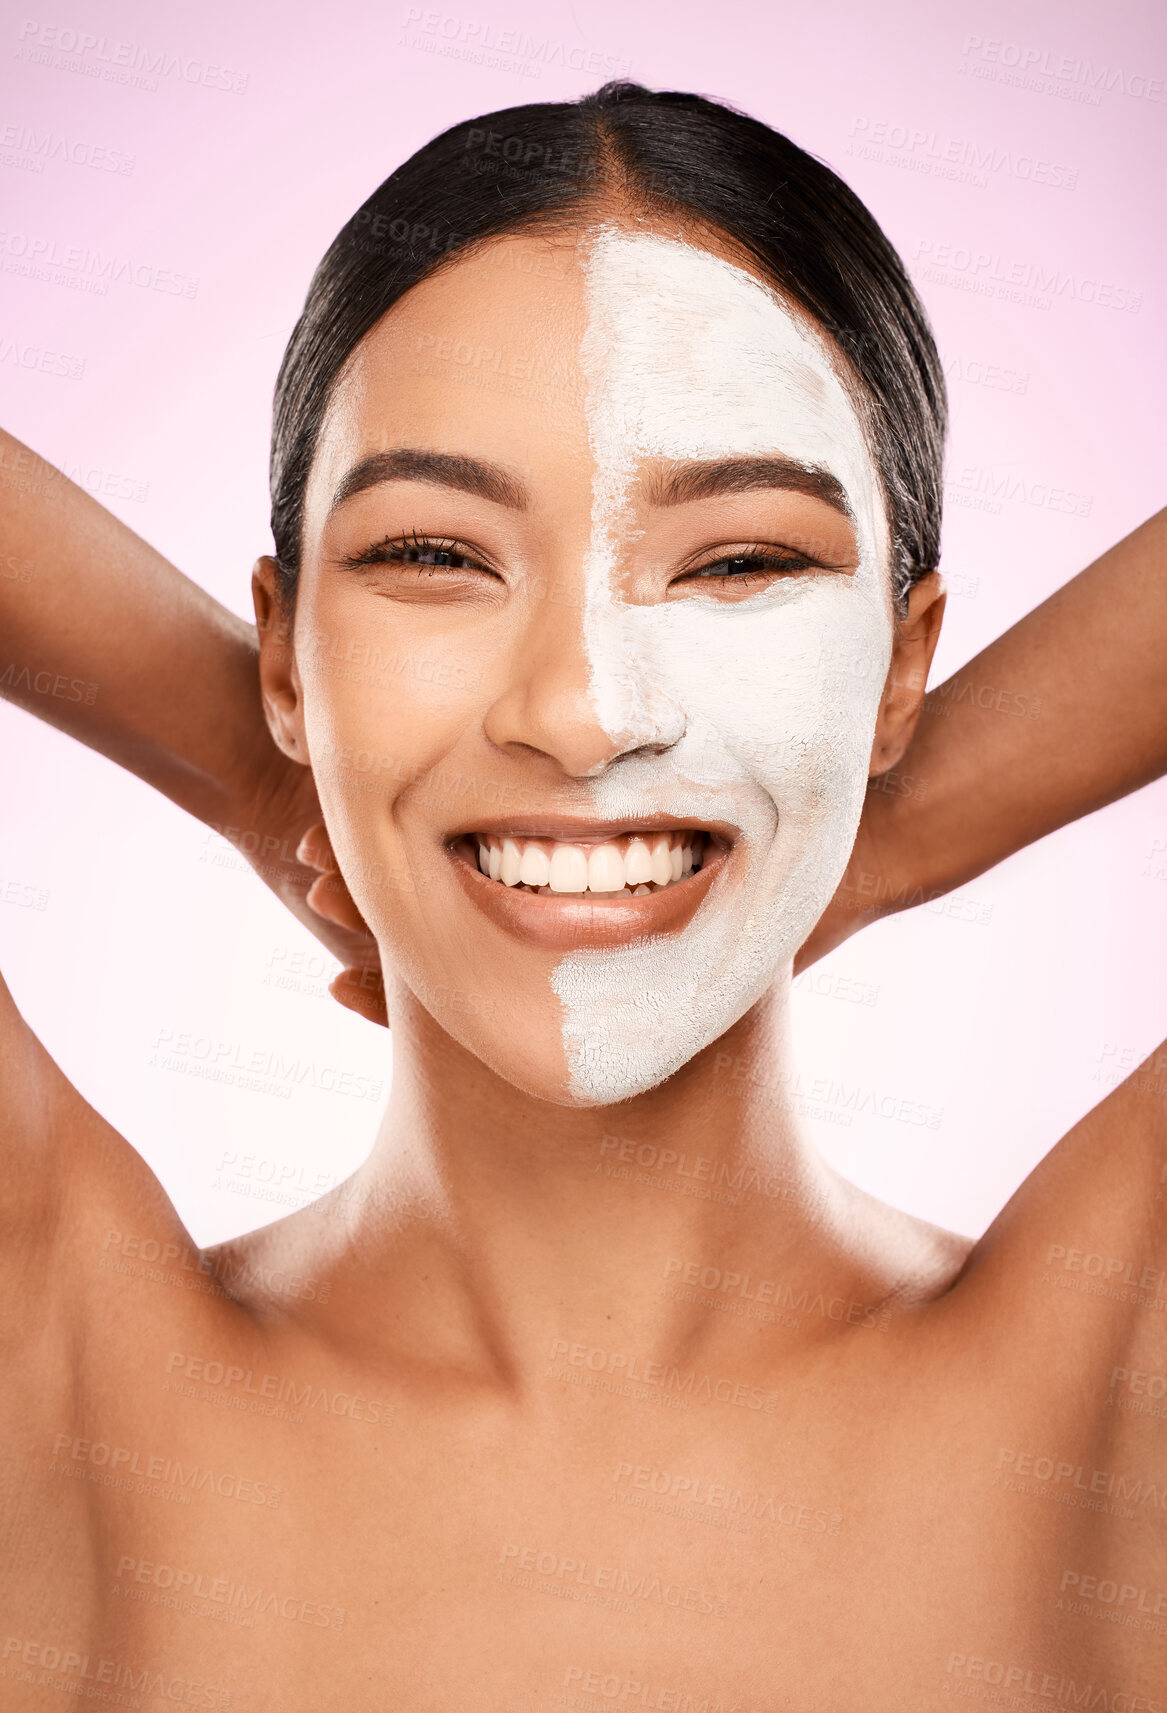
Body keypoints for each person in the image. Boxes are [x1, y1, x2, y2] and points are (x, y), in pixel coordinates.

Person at [2, 80, 1165, 1709]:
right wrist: (274, 779)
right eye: (433, 555)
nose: (585, 706)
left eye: (741, 560)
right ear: (286, 644)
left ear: (899, 662)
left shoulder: (1118, 1393)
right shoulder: (60, 1388)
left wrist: (896, 827)